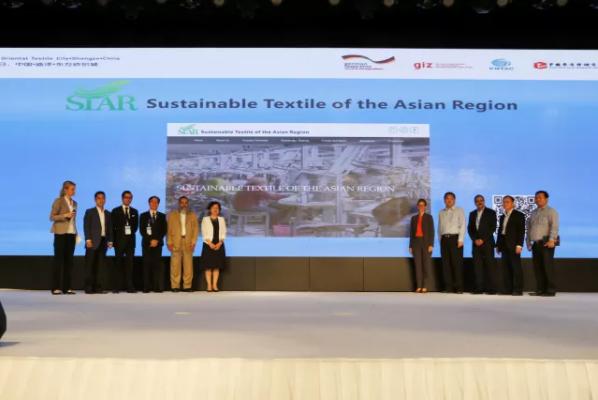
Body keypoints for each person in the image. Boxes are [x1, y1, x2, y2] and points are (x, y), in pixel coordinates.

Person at [527, 191, 559, 297]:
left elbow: (554, 227)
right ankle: (540, 290)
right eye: (536, 198)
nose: (538, 199)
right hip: (535, 244)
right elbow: (529, 228)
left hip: (546, 243)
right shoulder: (533, 212)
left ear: (546, 199)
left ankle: (550, 290)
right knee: (538, 268)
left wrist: (551, 239)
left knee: (547, 268)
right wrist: (528, 241)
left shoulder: (552, 212)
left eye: (540, 197)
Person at [49, 181, 79, 295]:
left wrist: (76, 233)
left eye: (74, 189)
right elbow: (52, 217)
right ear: (65, 190)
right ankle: (55, 287)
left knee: (69, 262)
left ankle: (67, 288)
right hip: (60, 234)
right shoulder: (59, 201)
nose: (74, 191)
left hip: (71, 233)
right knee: (58, 261)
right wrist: (65, 215)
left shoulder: (74, 203)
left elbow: (73, 220)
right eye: (72, 189)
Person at [167, 196, 199, 293]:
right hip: (176, 242)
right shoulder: (172, 214)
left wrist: (193, 242)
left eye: (186, 202)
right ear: (179, 203)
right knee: (175, 265)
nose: (184, 204)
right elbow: (169, 229)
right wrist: (169, 242)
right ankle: (175, 286)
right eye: (182, 202)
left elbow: (196, 229)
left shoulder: (192, 215)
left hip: (188, 242)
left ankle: (187, 286)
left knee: (188, 265)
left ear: (188, 204)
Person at [83, 191, 113, 294]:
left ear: (105, 200)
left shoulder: (108, 213)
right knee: (90, 266)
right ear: (95, 200)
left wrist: (110, 240)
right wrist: (88, 240)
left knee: (100, 266)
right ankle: (89, 288)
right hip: (92, 241)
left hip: (103, 241)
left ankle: (98, 288)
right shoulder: (90, 211)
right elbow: (86, 227)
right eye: (99, 198)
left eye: (103, 198)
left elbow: (109, 229)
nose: (101, 200)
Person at [467, 195, 498, 295]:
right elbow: (470, 229)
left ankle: (492, 288)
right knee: (478, 267)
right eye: (477, 201)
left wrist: (483, 239)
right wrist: (475, 239)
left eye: (481, 200)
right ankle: (479, 288)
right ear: (475, 203)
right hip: (476, 244)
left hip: (487, 243)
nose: (479, 202)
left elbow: (493, 227)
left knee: (490, 266)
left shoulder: (491, 212)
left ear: (484, 201)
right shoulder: (472, 214)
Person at [496, 196, 526, 296]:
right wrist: (498, 245)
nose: (505, 204)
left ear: (513, 203)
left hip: (514, 245)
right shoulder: (502, 216)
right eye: (504, 202)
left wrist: (519, 245)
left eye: (507, 202)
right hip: (504, 244)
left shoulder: (519, 215)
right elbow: (500, 231)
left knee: (516, 268)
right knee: (505, 268)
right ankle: (507, 289)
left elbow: (521, 231)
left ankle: (518, 290)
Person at [438, 192, 466, 294]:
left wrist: (461, 239)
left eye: (451, 198)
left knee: (456, 264)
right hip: (444, 239)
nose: (449, 200)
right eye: (447, 198)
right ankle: (448, 287)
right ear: (444, 200)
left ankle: (458, 288)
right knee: (446, 264)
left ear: (454, 200)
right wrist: (440, 241)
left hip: (455, 239)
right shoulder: (441, 212)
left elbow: (463, 225)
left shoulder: (459, 210)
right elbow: (439, 228)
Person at [111, 190, 139, 294]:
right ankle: (116, 287)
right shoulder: (115, 211)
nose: (128, 199)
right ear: (122, 198)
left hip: (130, 242)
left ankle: (129, 286)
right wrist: (113, 240)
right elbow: (112, 227)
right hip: (119, 241)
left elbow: (135, 227)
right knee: (118, 264)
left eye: (130, 198)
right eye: (126, 197)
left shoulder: (134, 211)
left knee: (129, 265)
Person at [140, 196, 167, 293]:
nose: (154, 204)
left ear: (158, 204)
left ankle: (156, 286)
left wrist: (156, 240)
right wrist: (150, 241)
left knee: (156, 266)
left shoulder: (162, 216)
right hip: (147, 244)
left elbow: (164, 230)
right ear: (149, 203)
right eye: (152, 202)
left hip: (158, 244)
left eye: (156, 202)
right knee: (146, 266)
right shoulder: (143, 215)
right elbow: (142, 230)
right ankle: (146, 287)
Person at [408, 199, 434, 293]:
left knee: (426, 264)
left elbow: (432, 231)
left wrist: (431, 244)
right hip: (416, 243)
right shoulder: (413, 218)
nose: (421, 207)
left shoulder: (429, 217)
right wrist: (410, 246)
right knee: (418, 265)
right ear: (417, 206)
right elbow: (411, 233)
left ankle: (425, 286)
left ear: (425, 207)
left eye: (422, 205)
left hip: (426, 243)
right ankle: (419, 286)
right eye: (419, 205)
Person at [201, 201, 227, 292]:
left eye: (217, 208)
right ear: (210, 209)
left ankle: (215, 285)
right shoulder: (205, 219)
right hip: (208, 244)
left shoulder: (222, 219)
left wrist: (220, 243)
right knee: (208, 266)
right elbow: (204, 232)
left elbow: (223, 232)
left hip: (219, 244)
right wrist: (210, 243)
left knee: (216, 266)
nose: (215, 209)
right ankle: (209, 285)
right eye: (213, 208)